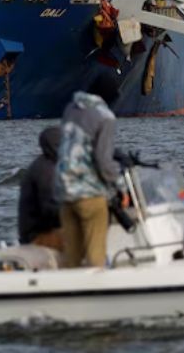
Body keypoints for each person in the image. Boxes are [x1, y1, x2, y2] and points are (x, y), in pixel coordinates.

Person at [55, 73, 123, 268]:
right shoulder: (105, 117)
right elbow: (103, 160)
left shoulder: (70, 109)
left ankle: (70, 295)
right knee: (96, 256)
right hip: (89, 193)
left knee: (72, 257)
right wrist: (120, 185)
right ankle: (99, 295)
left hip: (64, 192)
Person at [18, 126, 64, 250]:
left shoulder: (47, 165)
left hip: (39, 231)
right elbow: (49, 210)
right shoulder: (46, 172)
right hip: (37, 236)